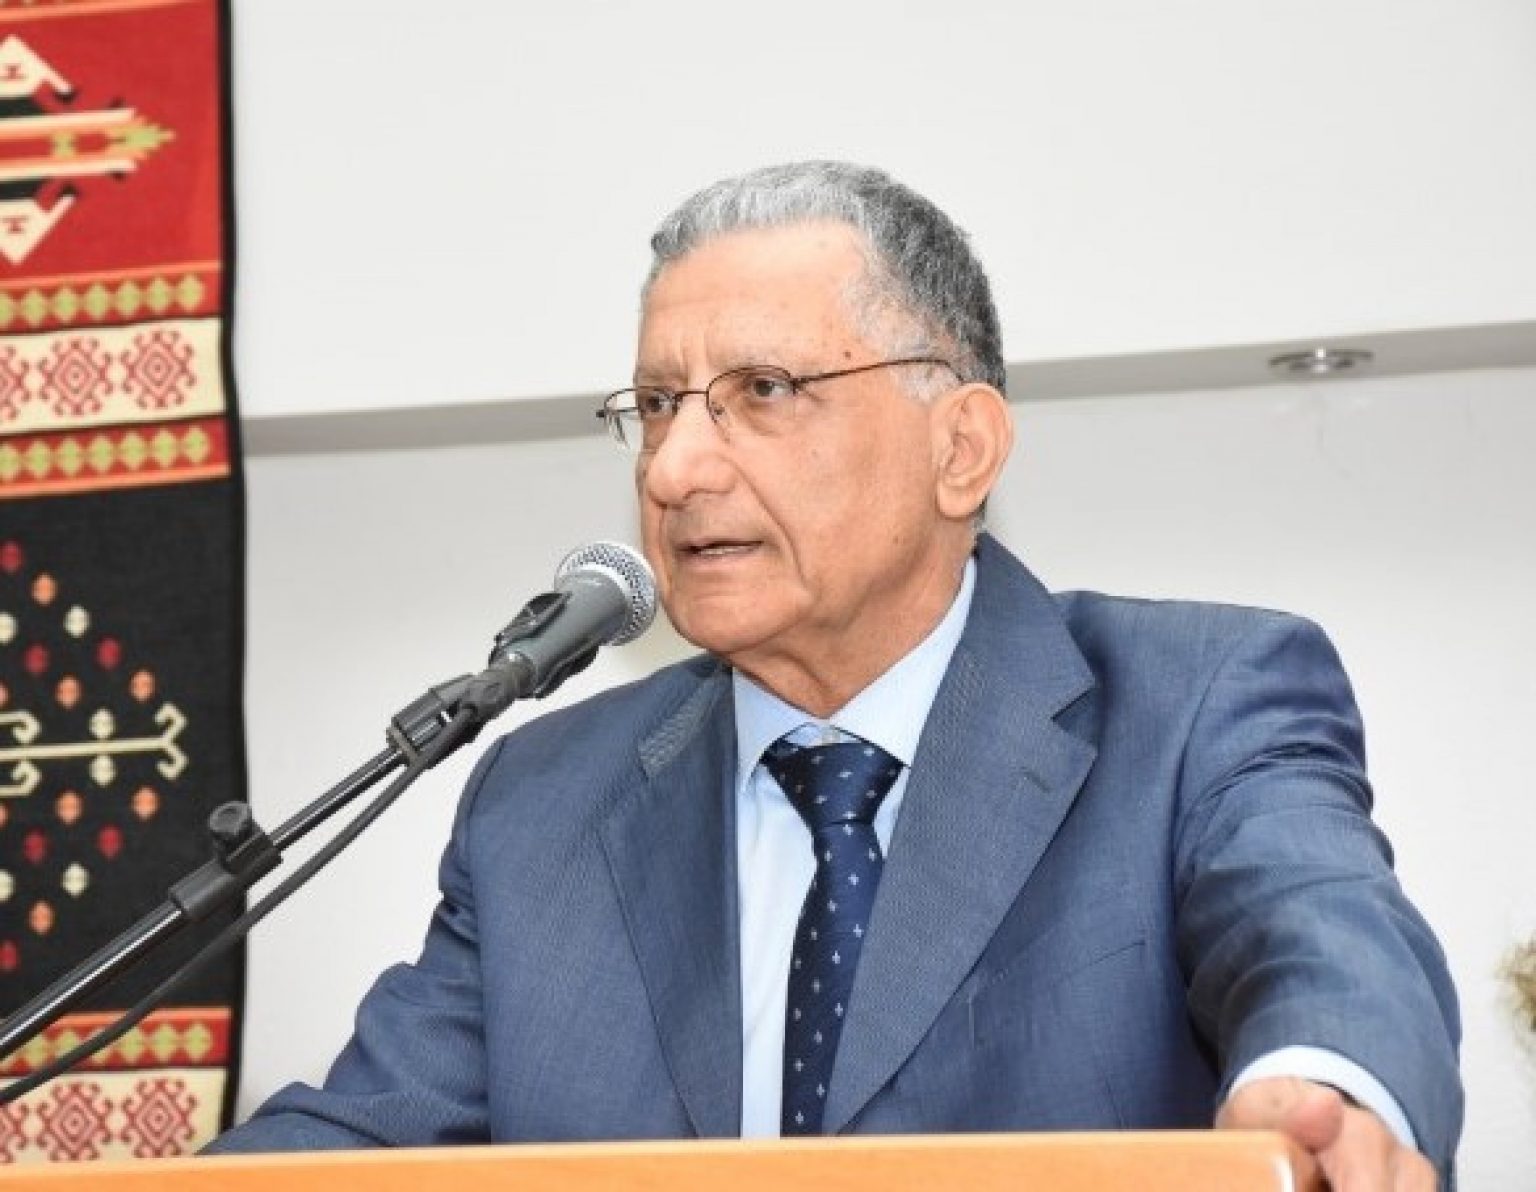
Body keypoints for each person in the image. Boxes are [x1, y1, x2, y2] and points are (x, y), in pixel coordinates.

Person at [208, 162, 1462, 1187]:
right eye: (656, 405)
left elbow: (1322, 940)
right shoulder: (545, 801)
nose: (674, 470)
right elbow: (361, 1139)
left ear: (961, 448)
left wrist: (1323, 1092)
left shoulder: (1197, 701)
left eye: (761, 391)